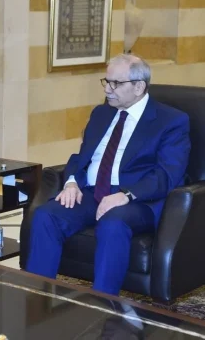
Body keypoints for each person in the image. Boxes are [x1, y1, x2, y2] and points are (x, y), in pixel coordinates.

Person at [25, 54, 190, 295]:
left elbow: (167, 174)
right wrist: (71, 182)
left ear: (139, 87)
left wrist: (125, 195)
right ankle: (35, 297)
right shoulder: (101, 114)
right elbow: (80, 157)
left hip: (137, 200)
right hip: (92, 192)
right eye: (106, 81)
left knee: (112, 224)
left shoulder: (171, 121)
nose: (107, 89)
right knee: (46, 216)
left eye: (116, 83)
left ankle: (103, 302)